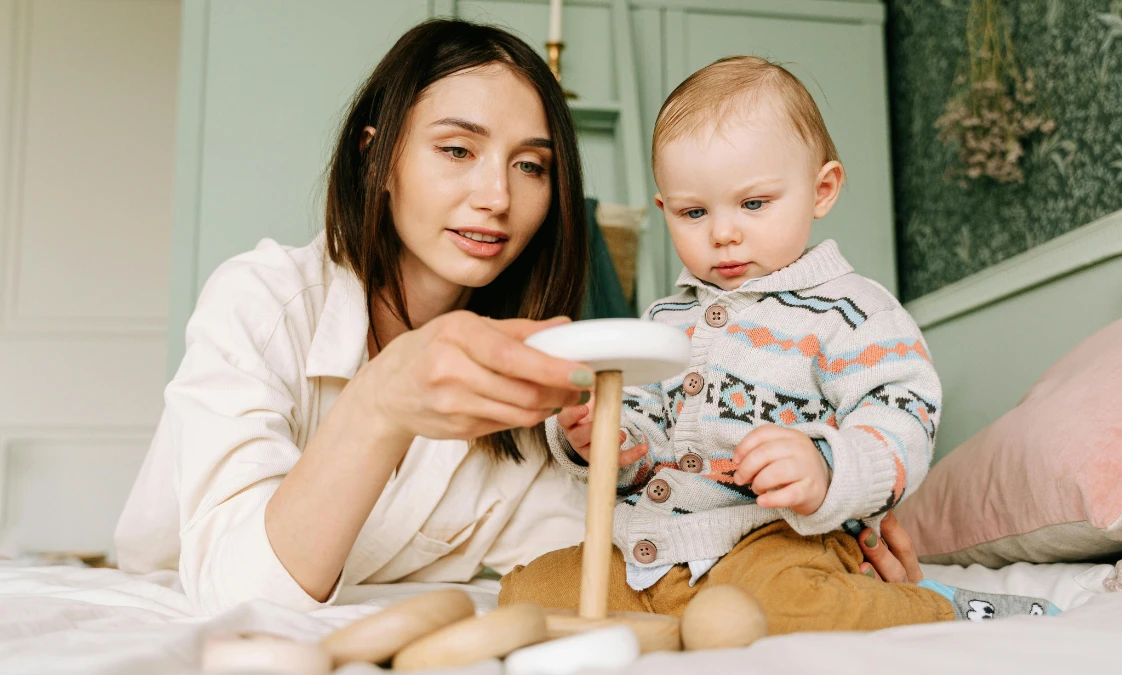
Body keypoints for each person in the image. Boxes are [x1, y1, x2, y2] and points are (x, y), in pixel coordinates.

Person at [113, 19, 931, 616]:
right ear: (377, 156)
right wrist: (381, 401)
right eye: (457, 149)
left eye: (531, 165)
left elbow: (633, 536)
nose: (497, 196)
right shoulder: (262, 301)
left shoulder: (544, 371)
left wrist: (828, 515)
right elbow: (240, 596)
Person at [499, 56, 1059, 629]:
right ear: (666, 210)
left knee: (785, 602)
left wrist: (824, 464)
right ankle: (685, 621)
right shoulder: (664, 319)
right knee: (528, 591)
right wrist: (607, 441)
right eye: (694, 212)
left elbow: (905, 415)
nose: (723, 233)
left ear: (822, 190)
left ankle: (945, 607)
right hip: (656, 549)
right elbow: (641, 438)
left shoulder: (853, 312)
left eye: (754, 204)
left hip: (780, 541)